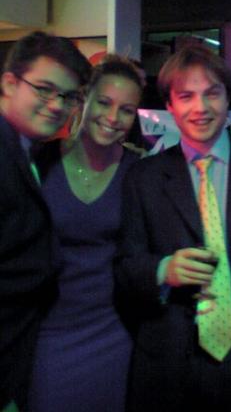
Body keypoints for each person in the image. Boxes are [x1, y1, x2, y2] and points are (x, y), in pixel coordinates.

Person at [115, 43, 231, 411]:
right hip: (170, 357)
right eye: (186, 96)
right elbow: (125, 265)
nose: (200, 107)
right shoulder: (145, 177)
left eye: (211, 93)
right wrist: (163, 270)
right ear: (170, 105)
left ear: (227, 98)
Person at [28, 55, 143, 412]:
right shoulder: (39, 161)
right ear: (84, 98)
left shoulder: (140, 173)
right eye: (104, 102)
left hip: (115, 334)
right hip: (48, 331)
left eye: (126, 110)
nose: (113, 117)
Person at [0, 31, 91, 412]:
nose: (56, 105)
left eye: (68, 96)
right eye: (44, 89)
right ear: (9, 83)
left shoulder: (29, 151)